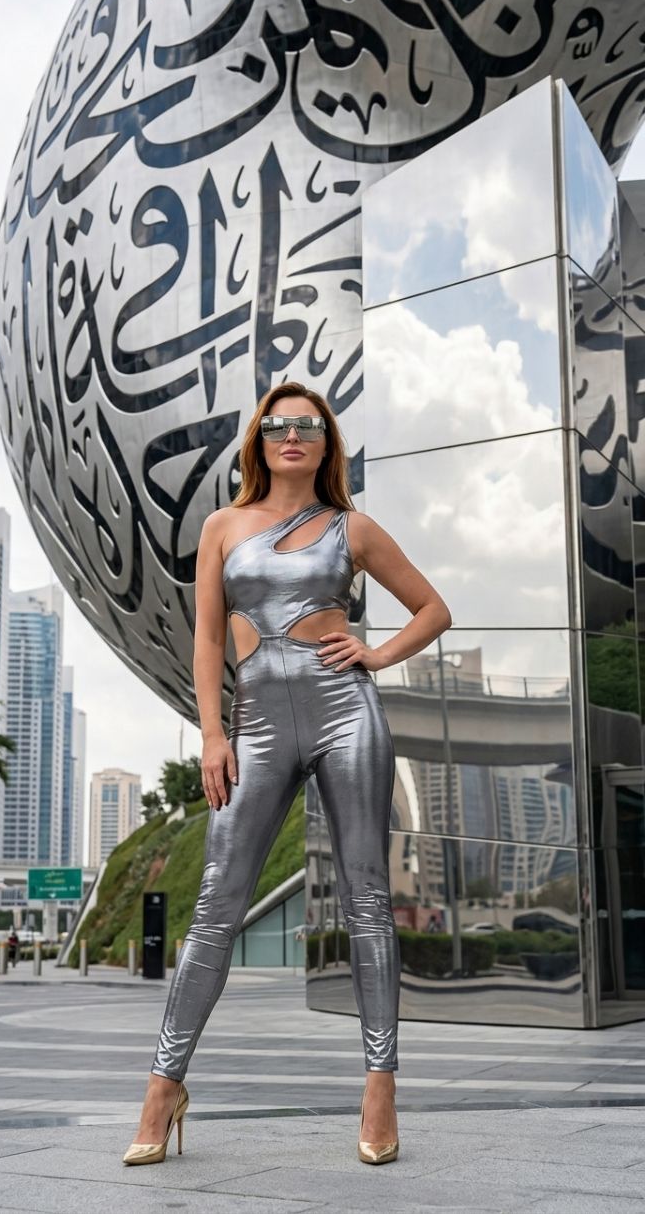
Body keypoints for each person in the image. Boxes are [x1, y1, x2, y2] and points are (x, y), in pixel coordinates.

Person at [123, 383, 452, 1168]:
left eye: (307, 425)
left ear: (326, 442)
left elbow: (433, 609)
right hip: (258, 725)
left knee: (369, 898)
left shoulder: (353, 528)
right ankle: (164, 1086)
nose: (292, 435)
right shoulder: (221, 527)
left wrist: (376, 652)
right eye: (278, 425)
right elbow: (207, 640)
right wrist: (212, 732)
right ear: (260, 440)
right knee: (215, 905)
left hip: (348, 713)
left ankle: (380, 1086)